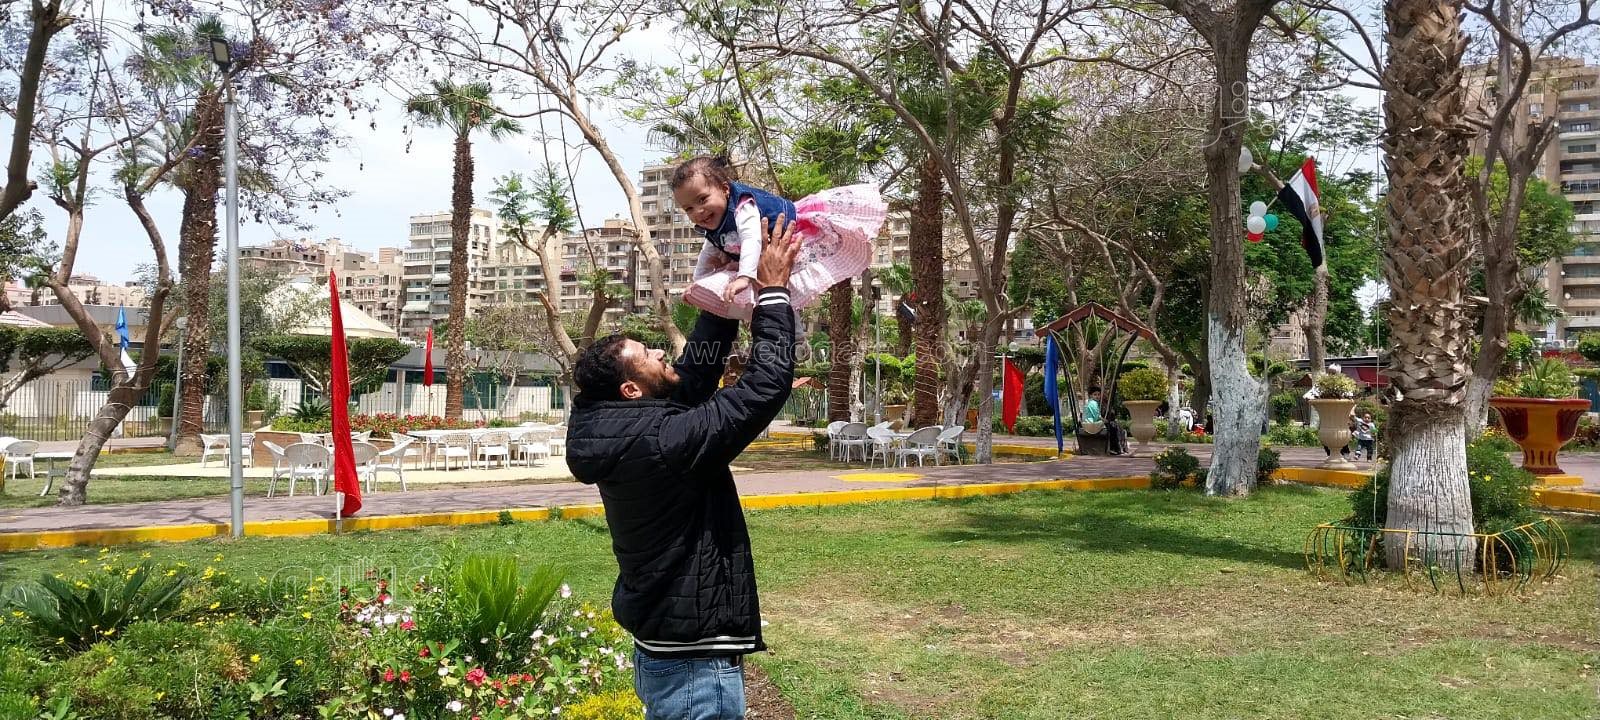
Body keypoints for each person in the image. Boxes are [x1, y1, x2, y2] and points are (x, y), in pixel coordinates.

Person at [566, 216, 801, 719]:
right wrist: (773, 293)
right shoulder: (664, 440)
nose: (658, 351)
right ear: (632, 389)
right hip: (694, 662)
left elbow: (691, 378)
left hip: (668, 645)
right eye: (646, 355)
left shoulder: (621, 427)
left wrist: (724, 291)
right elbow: (764, 387)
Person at [671, 154, 886, 320]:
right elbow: (708, 252)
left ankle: (795, 336)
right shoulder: (711, 225)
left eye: (702, 199)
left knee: (784, 289)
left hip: (790, 236)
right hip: (759, 258)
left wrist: (744, 277)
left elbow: (751, 238)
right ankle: (787, 334)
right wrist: (697, 282)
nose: (698, 211)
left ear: (725, 189)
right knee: (772, 294)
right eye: (689, 208)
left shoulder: (743, 207)